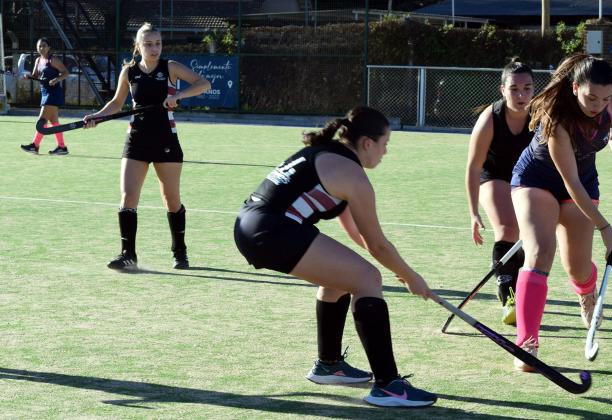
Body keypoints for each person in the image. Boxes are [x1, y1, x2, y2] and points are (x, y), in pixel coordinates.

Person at [233, 107, 438, 408]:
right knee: (368, 279)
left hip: (250, 225)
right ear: (367, 143)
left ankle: (329, 365)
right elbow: (377, 244)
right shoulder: (353, 176)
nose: (385, 152)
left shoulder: (326, 152)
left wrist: (397, 267)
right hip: (272, 230)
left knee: (345, 276)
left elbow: (358, 234)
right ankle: (389, 386)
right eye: (385, 144)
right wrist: (409, 275)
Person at [509, 54, 612, 372]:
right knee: (540, 252)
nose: (599, 104)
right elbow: (570, 185)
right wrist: (605, 228)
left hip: (584, 180)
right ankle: (526, 343)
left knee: (578, 267)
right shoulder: (557, 117)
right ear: (575, 87)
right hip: (536, 179)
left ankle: (586, 292)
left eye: (606, 97)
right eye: (591, 97)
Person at [82, 23, 210, 270]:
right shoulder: (129, 71)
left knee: (171, 200)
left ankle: (179, 251)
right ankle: (128, 254)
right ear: (138, 46)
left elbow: (204, 84)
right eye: (149, 44)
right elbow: (117, 103)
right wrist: (96, 117)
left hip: (165, 140)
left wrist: (177, 96)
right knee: (128, 196)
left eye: (158, 43)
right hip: (137, 139)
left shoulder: (170, 67)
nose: (154, 49)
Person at [465, 59, 534, 325]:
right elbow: (472, 168)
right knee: (507, 229)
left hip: (527, 179)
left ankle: (521, 289)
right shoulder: (490, 119)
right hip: (494, 177)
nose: (521, 95)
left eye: (527, 89)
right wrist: (472, 212)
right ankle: (507, 297)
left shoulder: (539, 117)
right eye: (514, 89)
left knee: (530, 236)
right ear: (502, 89)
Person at [20, 38, 70, 155]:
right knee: (54, 122)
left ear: (49, 48)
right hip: (44, 92)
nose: (41, 48)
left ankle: (35, 145)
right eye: (39, 46)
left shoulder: (53, 60)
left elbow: (65, 72)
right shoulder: (38, 60)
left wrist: (57, 79)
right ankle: (62, 147)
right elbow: (35, 75)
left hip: (53, 93)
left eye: (44, 46)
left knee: (41, 121)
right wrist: (28, 76)